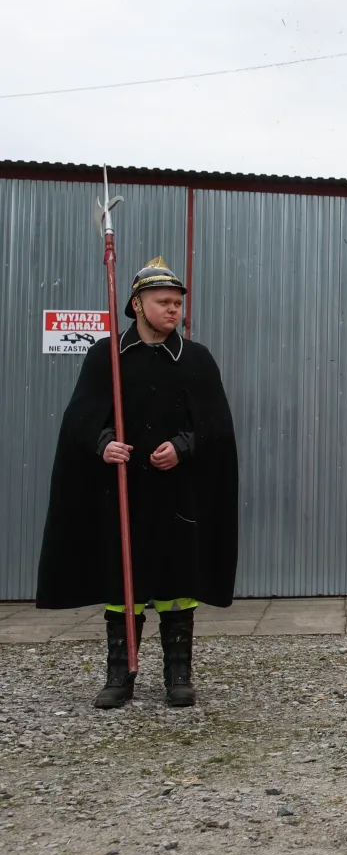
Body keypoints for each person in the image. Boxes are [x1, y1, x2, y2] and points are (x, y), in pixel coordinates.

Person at [36, 258, 239, 708]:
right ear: (136, 304)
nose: (173, 311)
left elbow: (216, 425)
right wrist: (103, 442)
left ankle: (178, 675)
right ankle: (120, 675)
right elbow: (81, 418)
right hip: (120, 493)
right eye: (163, 302)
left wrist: (182, 446)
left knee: (176, 581)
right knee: (121, 583)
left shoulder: (196, 359)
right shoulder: (105, 356)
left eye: (178, 303)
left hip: (176, 494)